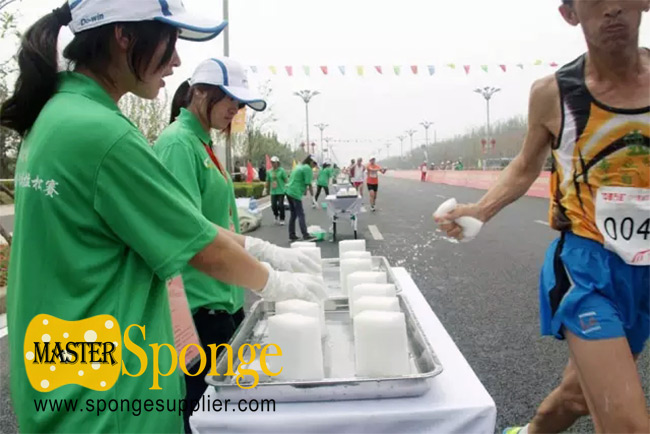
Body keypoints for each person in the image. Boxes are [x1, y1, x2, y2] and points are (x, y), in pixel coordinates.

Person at [0, 4, 325, 433]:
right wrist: (276, 281)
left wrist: (264, 251)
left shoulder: (59, 116)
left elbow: (182, 223)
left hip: (67, 379)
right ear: (124, 36)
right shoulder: (103, 134)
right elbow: (200, 246)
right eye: (169, 42)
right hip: (109, 404)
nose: (175, 61)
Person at [437, 1, 650, 432]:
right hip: (589, 268)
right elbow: (525, 165)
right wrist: (481, 209)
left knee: (576, 396)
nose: (611, 9)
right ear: (570, 14)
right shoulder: (554, 93)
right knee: (626, 421)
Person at [155, 57, 324, 432]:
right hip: (198, 307)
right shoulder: (178, 145)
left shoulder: (203, 145)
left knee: (222, 413)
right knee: (201, 415)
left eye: (240, 102)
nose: (235, 108)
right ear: (200, 92)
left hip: (222, 300)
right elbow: (188, 234)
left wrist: (263, 251)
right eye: (228, 97)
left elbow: (206, 224)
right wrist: (268, 272)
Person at [286, 155, 319, 241]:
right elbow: (309, 184)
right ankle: (305, 235)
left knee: (293, 214)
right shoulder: (307, 168)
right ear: (311, 162)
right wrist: (313, 198)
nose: (314, 166)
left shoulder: (299, 165)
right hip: (295, 193)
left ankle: (292, 234)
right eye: (314, 164)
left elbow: (302, 181)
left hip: (289, 191)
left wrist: (304, 191)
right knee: (301, 214)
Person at [266, 156, 288, 225]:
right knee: (273, 205)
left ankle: (282, 218)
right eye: (272, 162)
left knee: (281, 205)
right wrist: (265, 189)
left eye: (274, 162)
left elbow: (286, 180)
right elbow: (268, 181)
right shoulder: (269, 172)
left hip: (281, 190)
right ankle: (276, 214)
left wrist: (287, 188)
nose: (273, 164)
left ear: (277, 163)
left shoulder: (282, 171)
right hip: (273, 191)